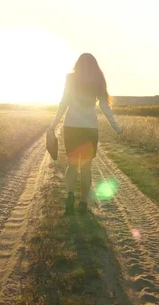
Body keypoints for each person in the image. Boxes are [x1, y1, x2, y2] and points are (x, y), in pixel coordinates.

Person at [48, 53, 122, 215]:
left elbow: (64, 102)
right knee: (87, 168)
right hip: (89, 129)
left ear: (78, 65)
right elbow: (104, 106)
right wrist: (116, 126)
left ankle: (70, 196)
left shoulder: (71, 78)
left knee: (72, 164)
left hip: (72, 127)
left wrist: (53, 124)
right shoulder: (98, 81)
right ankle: (82, 204)